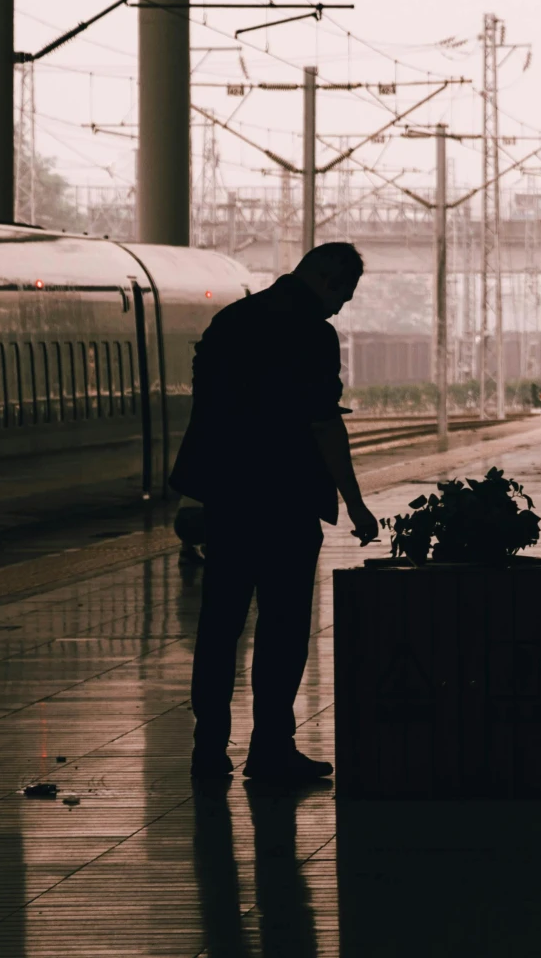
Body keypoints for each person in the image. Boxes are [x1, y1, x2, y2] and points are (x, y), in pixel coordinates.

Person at [171, 242, 379, 783]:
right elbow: (323, 424)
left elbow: (208, 410)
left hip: (228, 499)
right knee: (283, 627)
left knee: (220, 626)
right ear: (329, 280)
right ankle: (270, 750)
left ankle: (208, 749)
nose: (341, 308)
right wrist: (354, 502)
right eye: (345, 295)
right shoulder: (312, 333)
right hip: (285, 499)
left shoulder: (231, 320)